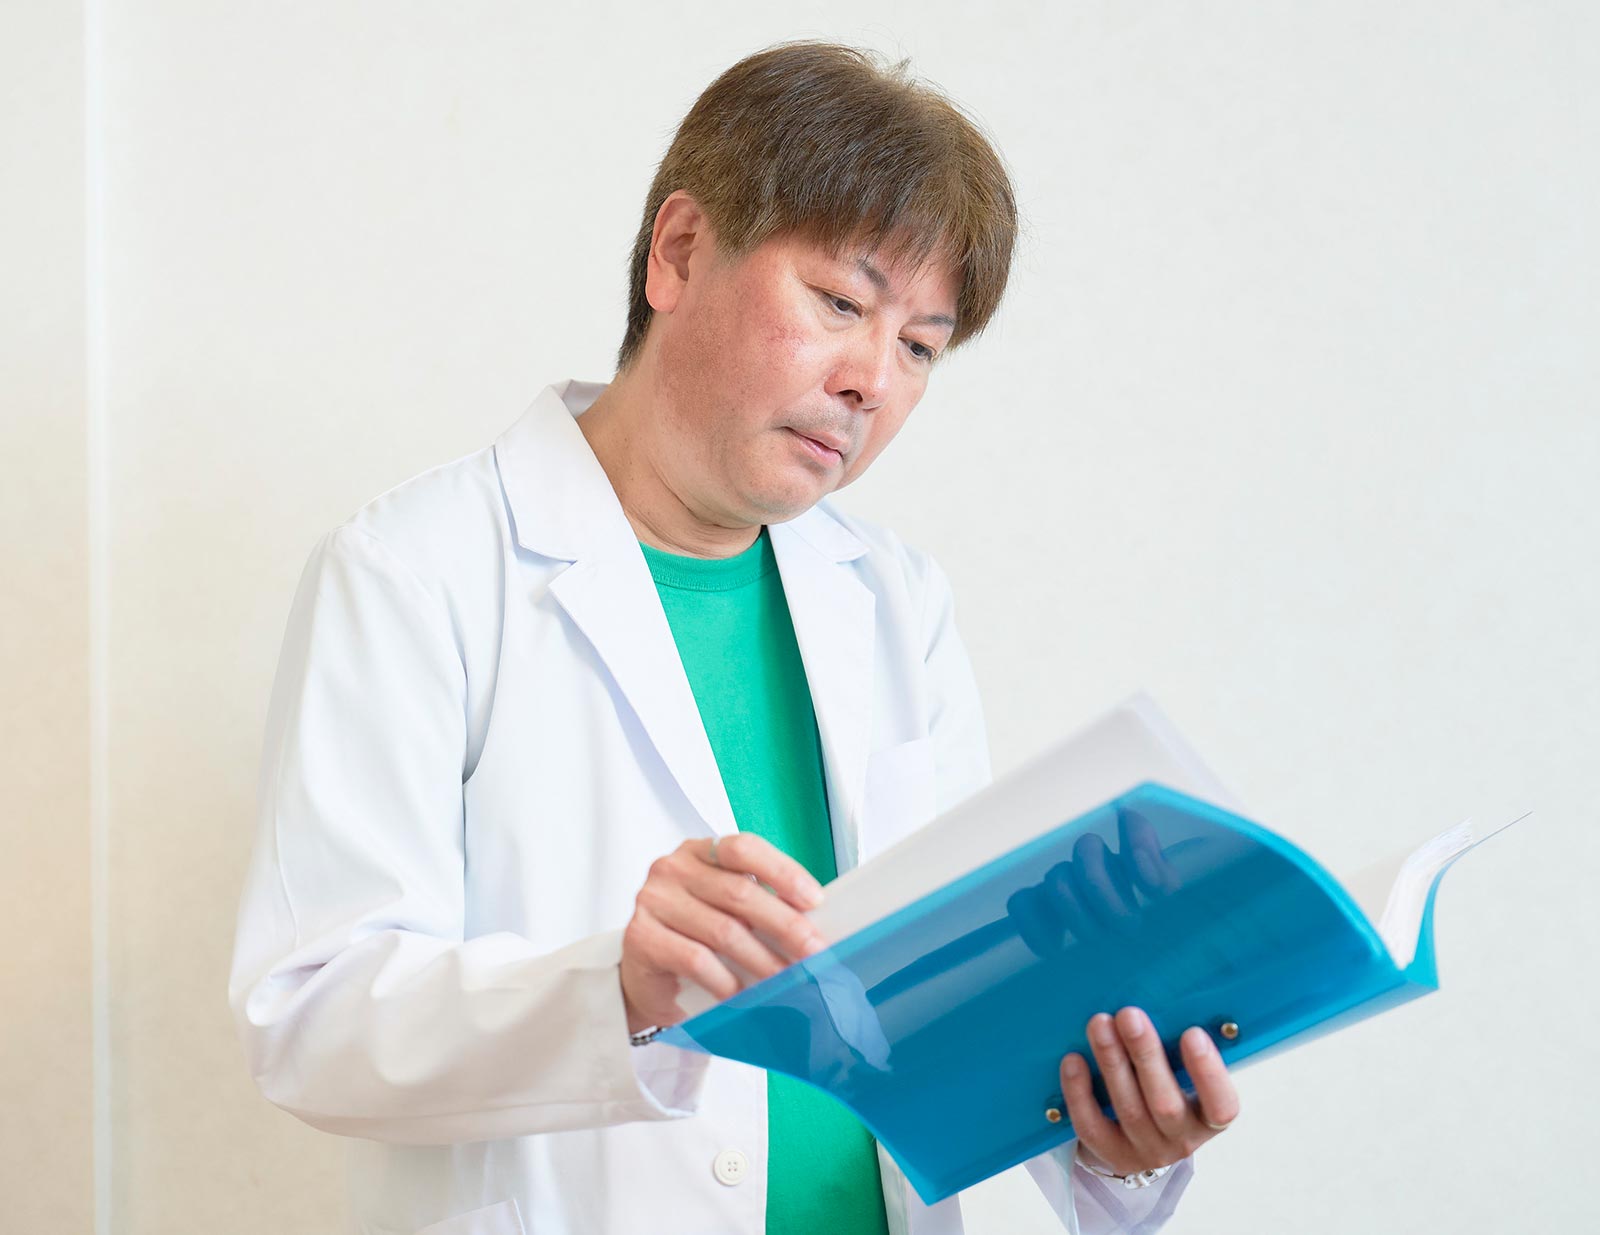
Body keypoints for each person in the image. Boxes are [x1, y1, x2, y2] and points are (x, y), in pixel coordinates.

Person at [228, 38, 1240, 1235]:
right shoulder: (418, 569)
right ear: (678, 252)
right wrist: (615, 990)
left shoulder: (896, 602)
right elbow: (307, 1016)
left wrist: (1105, 1139)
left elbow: (949, 1007)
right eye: (840, 303)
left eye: (919, 345)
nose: (872, 380)